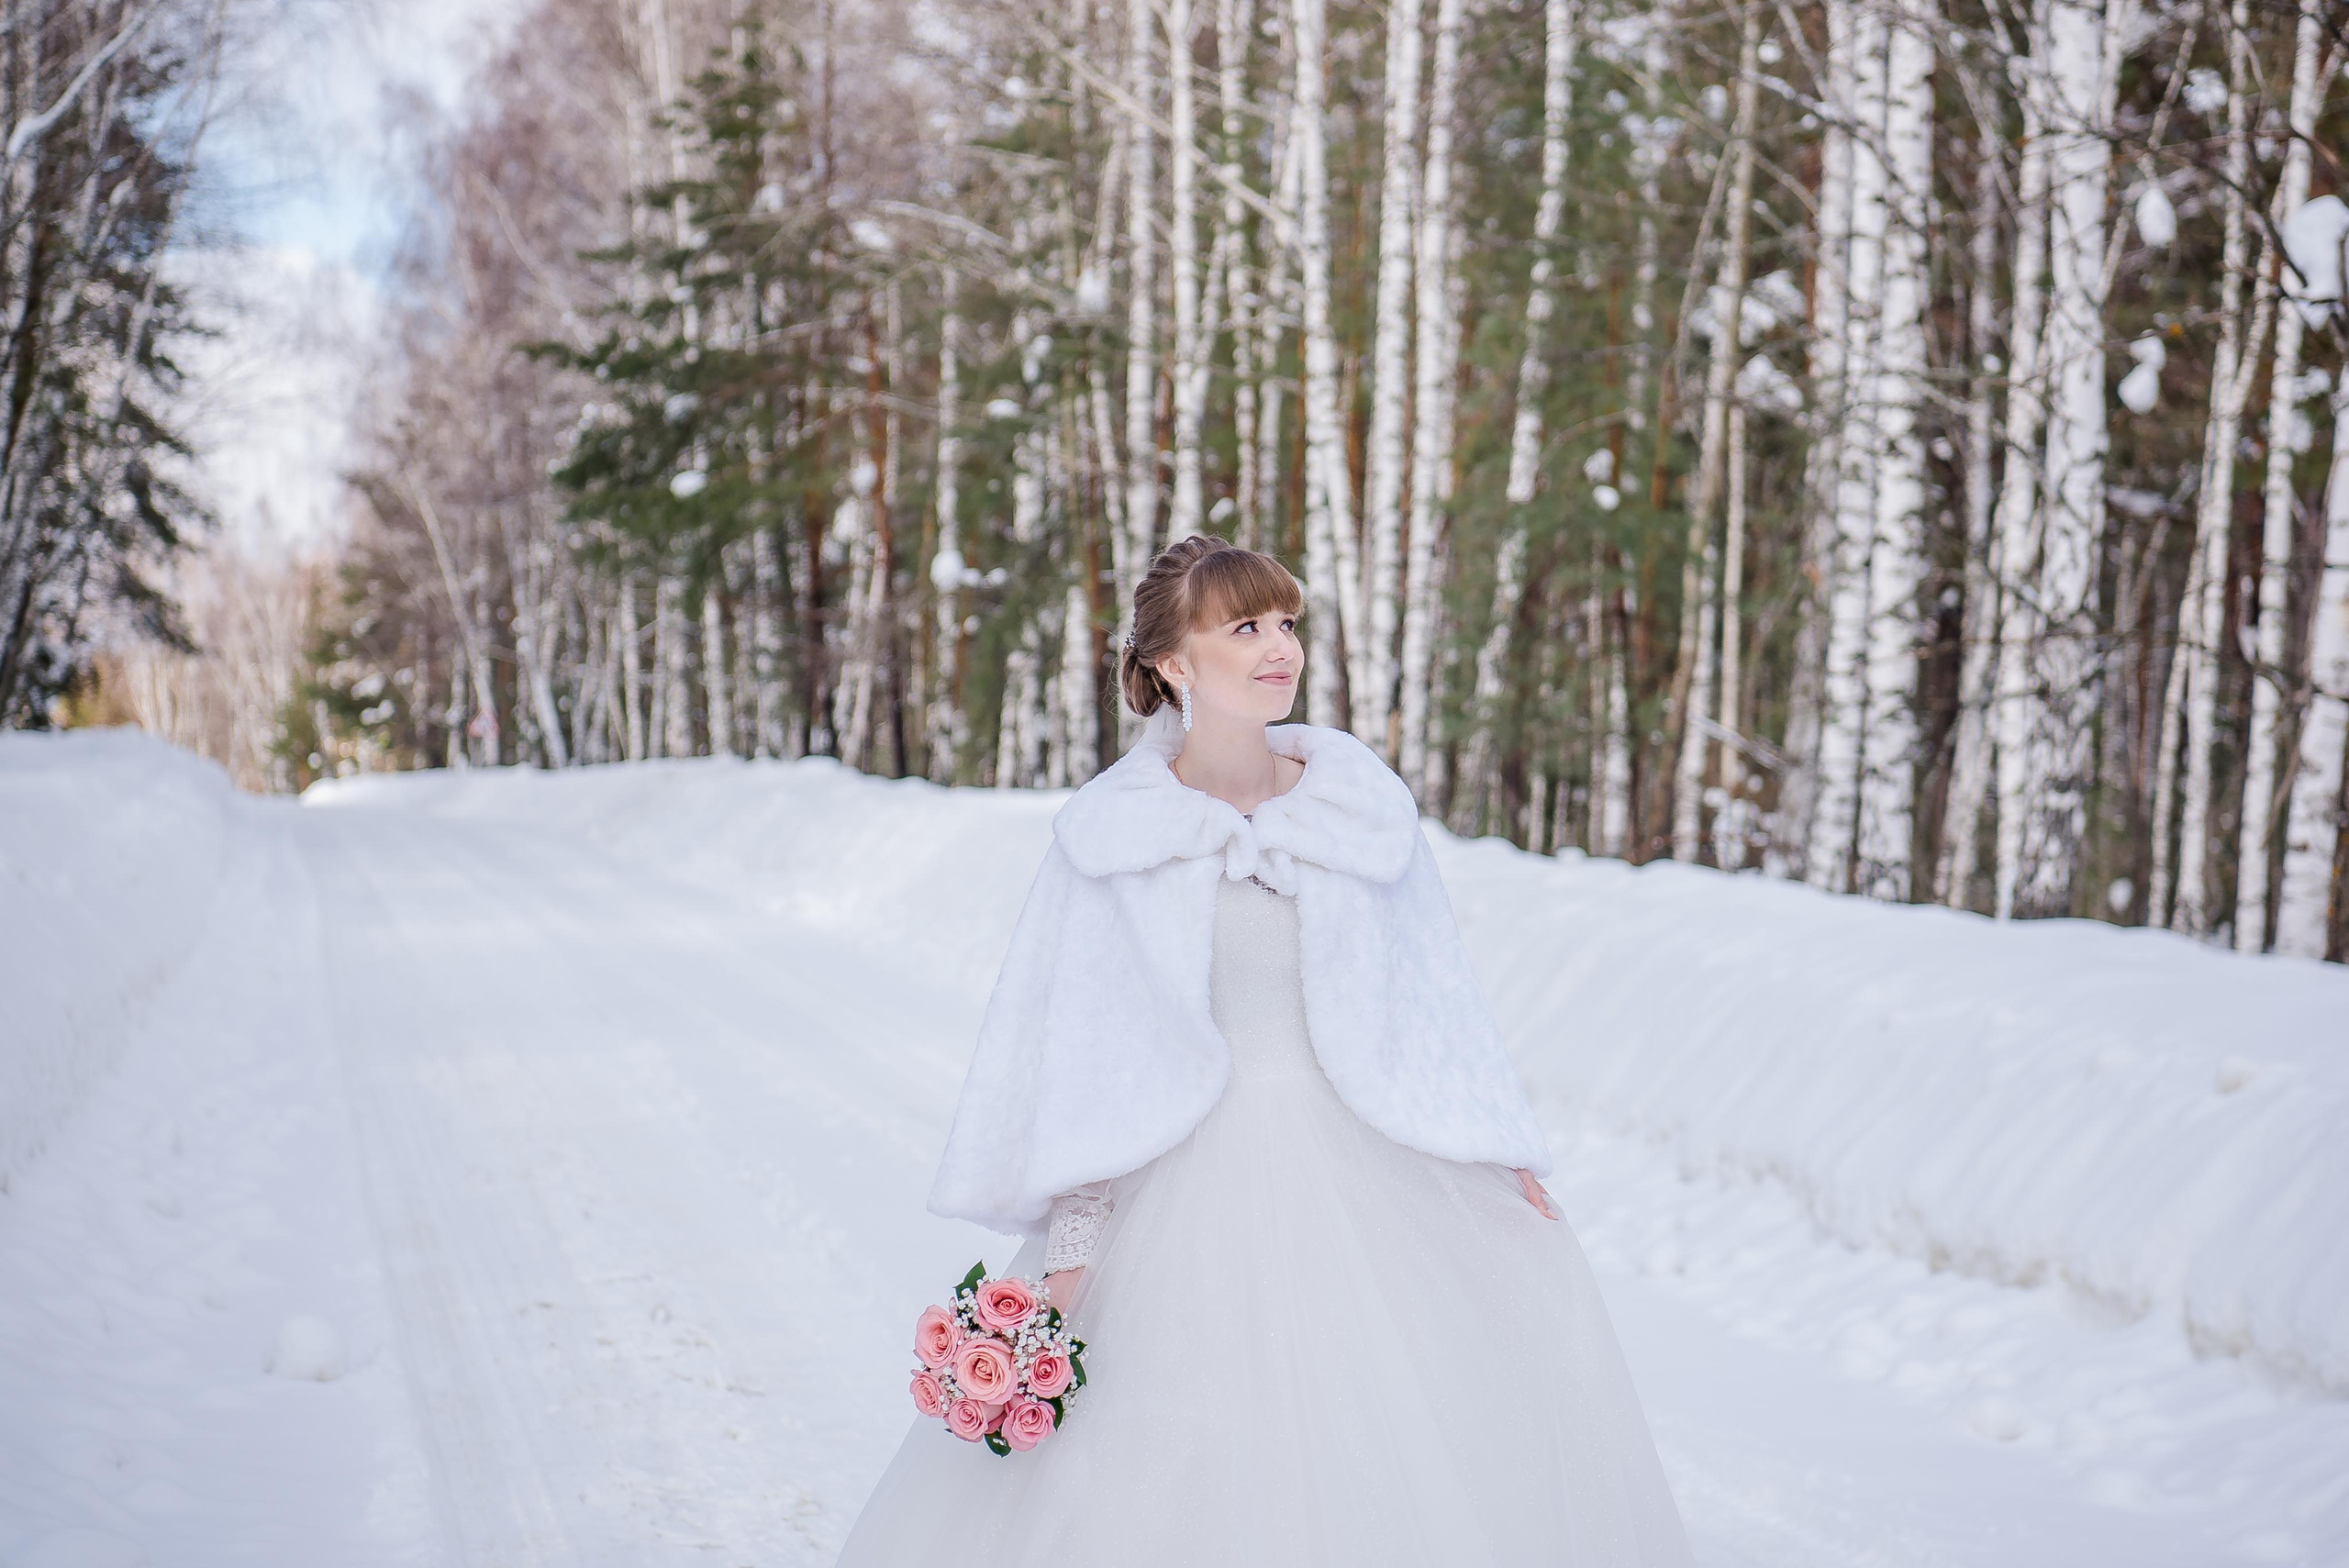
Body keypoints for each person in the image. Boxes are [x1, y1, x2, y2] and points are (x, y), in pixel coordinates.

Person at [836, 536, 1694, 1566]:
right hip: (1183, 1202)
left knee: (1394, 1455)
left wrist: (1494, 1152)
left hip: (1368, 1177)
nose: (1278, 647)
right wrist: (1062, 1276)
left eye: (1285, 622)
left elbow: (1430, 1010)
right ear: (1173, 664)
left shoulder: (1359, 813)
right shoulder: (1114, 837)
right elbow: (1090, 1071)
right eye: (1244, 627)